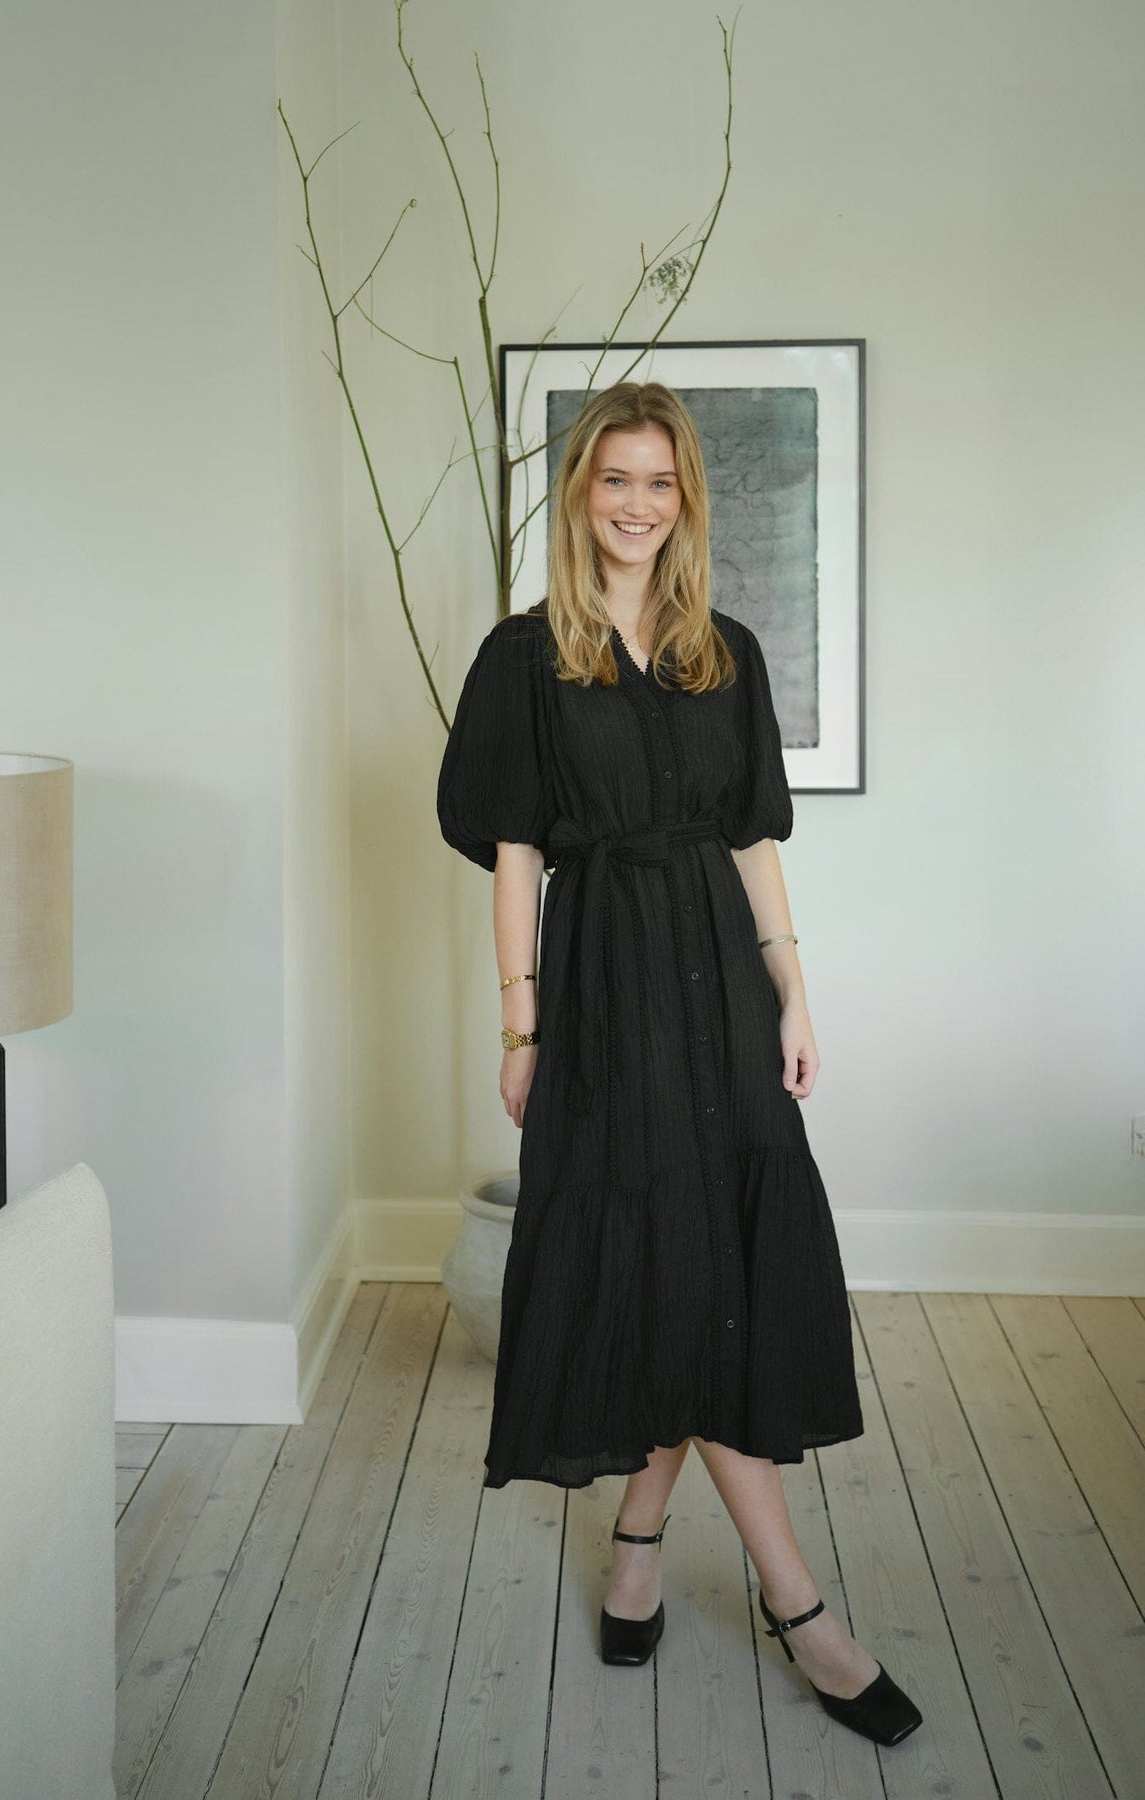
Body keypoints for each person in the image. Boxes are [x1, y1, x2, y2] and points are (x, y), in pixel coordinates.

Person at [435, 381, 921, 1748]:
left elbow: (750, 837)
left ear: (686, 500)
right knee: (663, 1260)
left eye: (659, 483)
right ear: (580, 495)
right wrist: (522, 1027)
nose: (636, 505)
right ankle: (801, 1608)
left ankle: (639, 1537)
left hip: (722, 980)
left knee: (716, 1262)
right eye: (614, 481)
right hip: (602, 985)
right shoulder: (524, 657)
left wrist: (794, 989)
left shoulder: (727, 653)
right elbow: (515, 856)